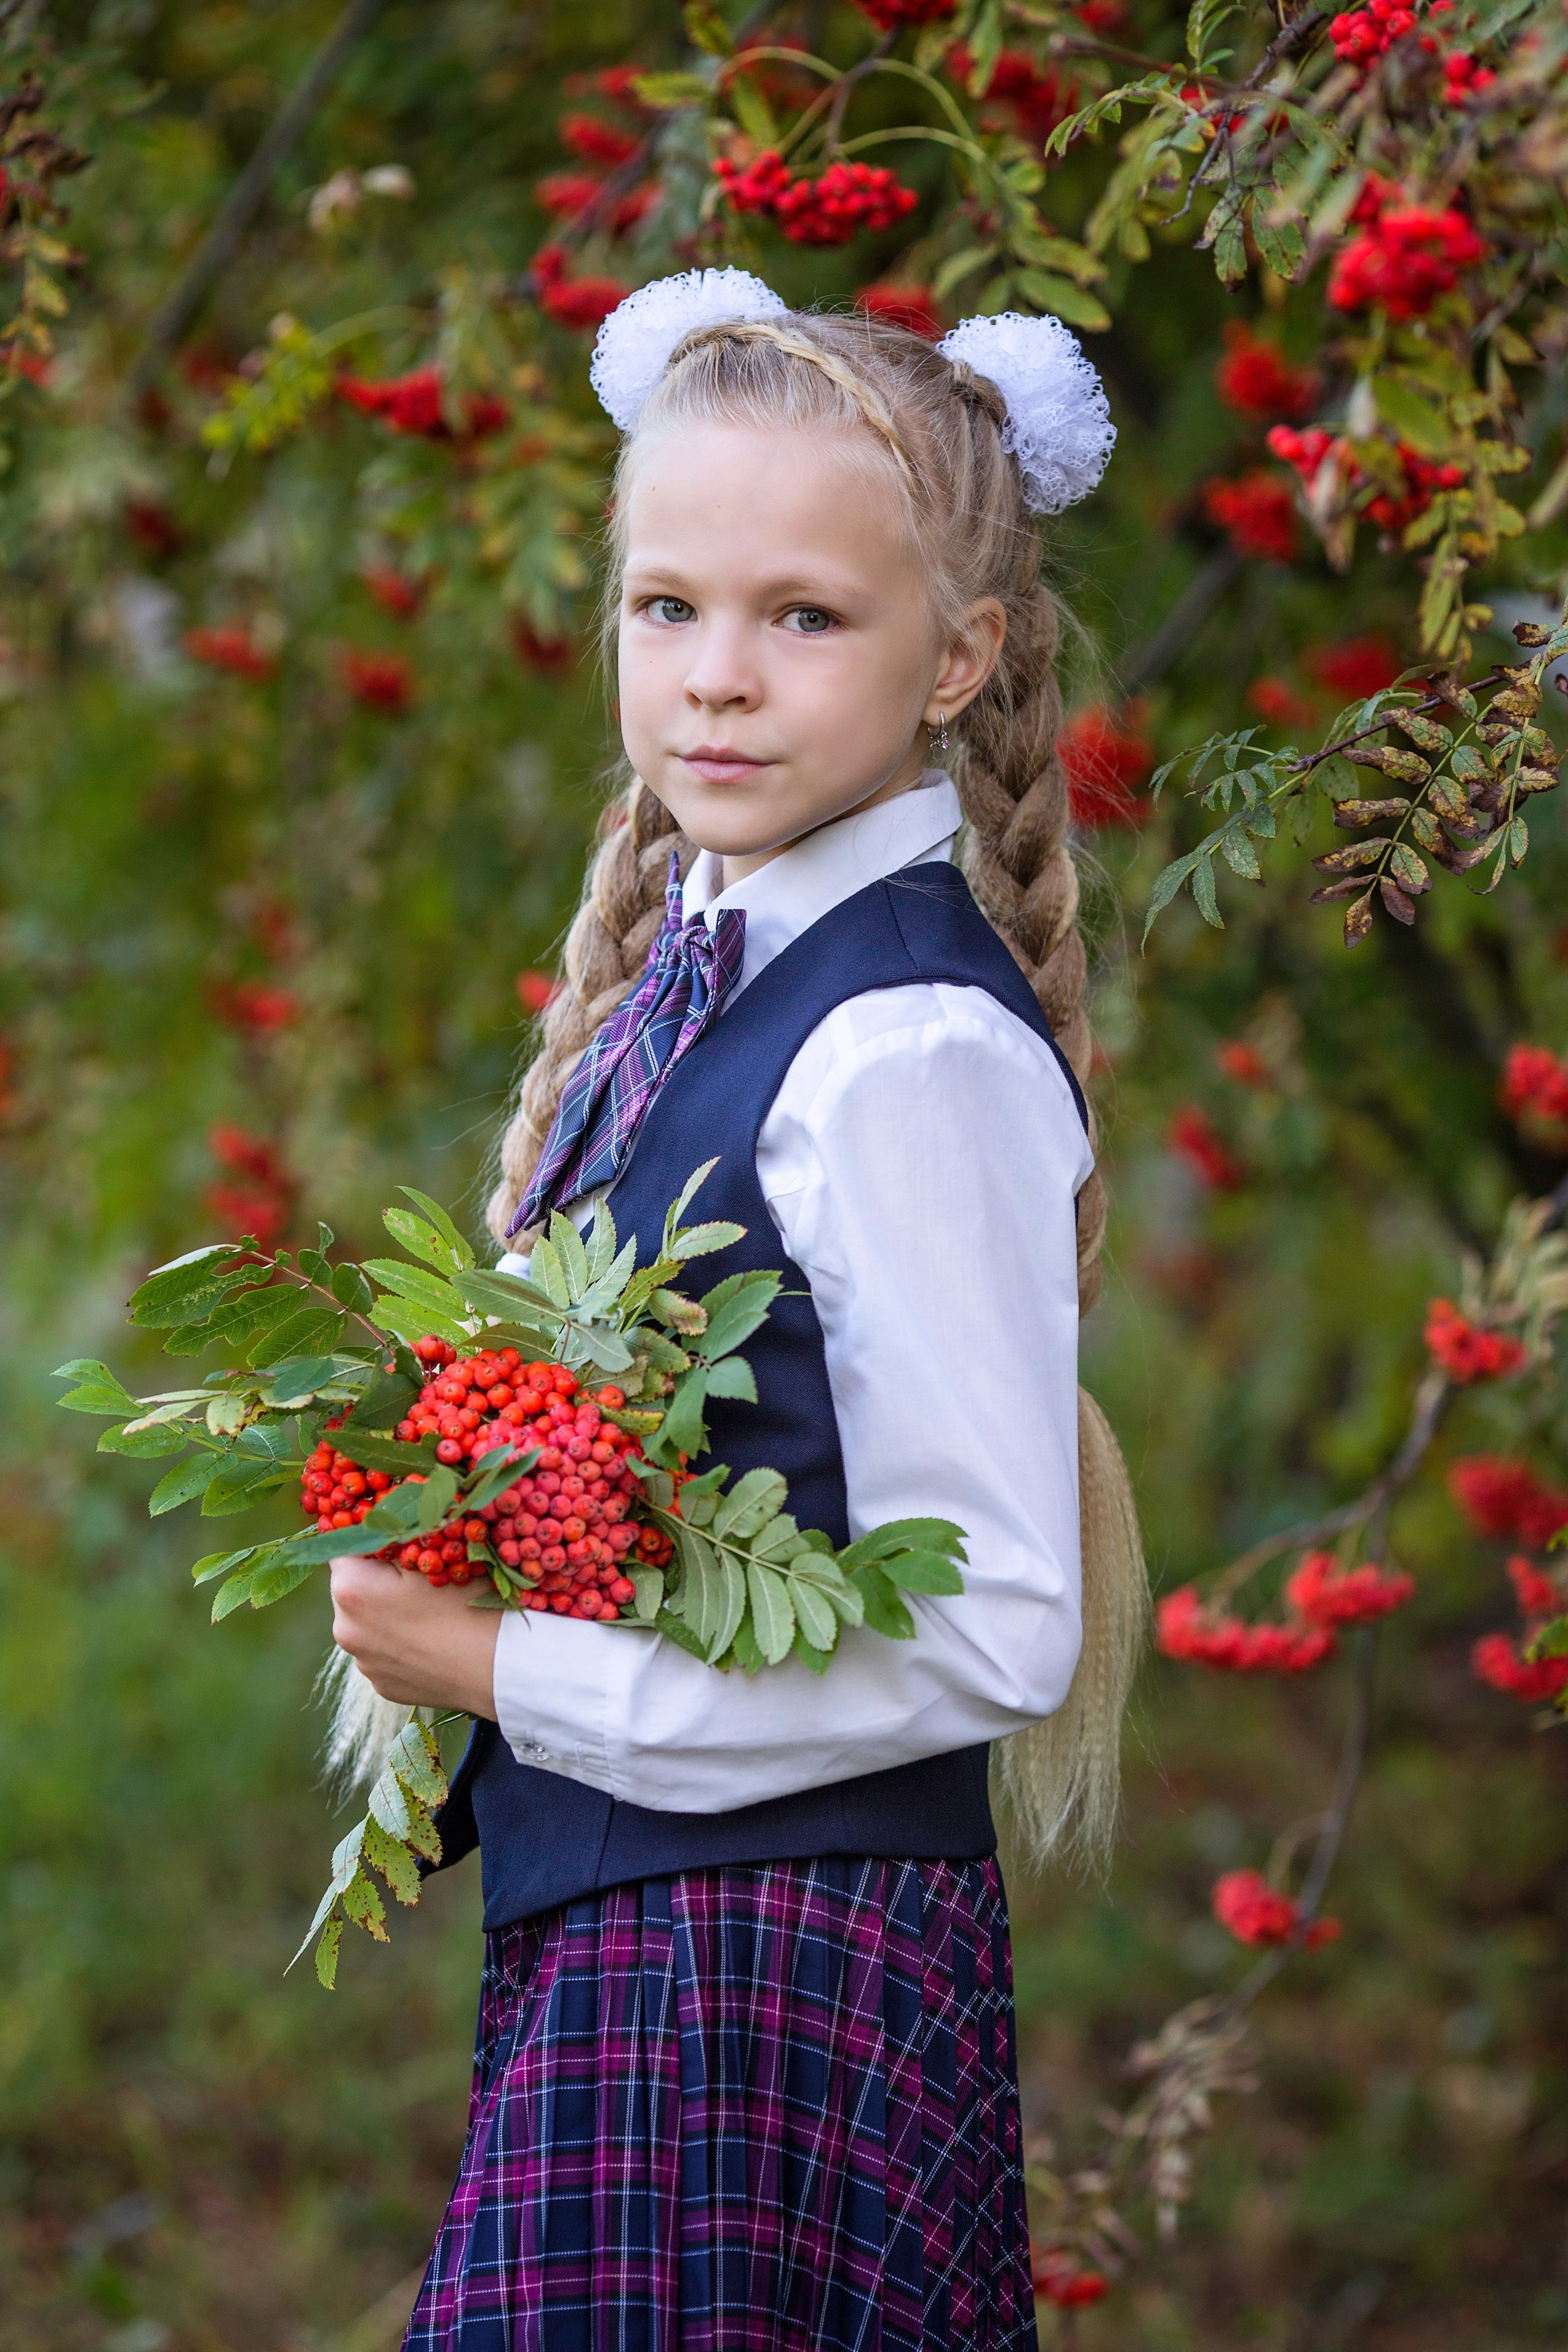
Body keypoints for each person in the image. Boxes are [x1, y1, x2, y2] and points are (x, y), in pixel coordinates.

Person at [329, 270, 1146, 2351]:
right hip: (660, 1955)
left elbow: (995, 1627)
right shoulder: (702, 981)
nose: (716, 678)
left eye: (804, 617)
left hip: (770, 1988)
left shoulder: (900, 1053)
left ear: (958, 655)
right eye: (666, 607)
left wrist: (517, 1671)